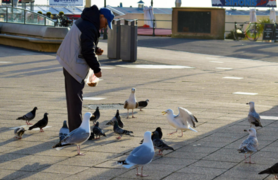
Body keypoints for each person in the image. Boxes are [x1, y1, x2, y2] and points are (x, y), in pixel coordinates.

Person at [56, 5, 114, 132]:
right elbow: (87, 50)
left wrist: (96, 49)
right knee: (75, 100)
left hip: (70, 60)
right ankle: (76, 131)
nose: (105, 26)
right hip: (72, 63)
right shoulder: (89, 26)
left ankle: (75, 129)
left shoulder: (88, 22)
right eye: (106, 23)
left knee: (74, 98)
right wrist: (97, 69)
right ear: (101, 16)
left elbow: (85, 43)